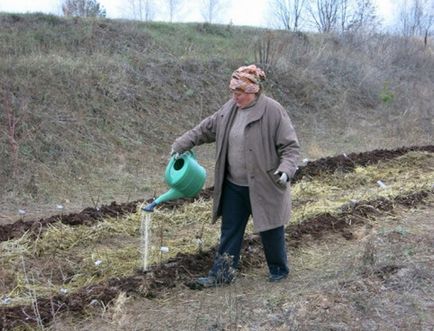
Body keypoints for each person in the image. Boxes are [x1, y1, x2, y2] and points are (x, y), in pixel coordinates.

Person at [171, 64, 300, 287]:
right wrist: (182, 144)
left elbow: (290, 147)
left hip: (265, 183)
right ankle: (221, 275)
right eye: (233, 92)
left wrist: (286, 169)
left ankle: (279, 270)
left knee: (271, 228)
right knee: (230, 230)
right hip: (234, 185)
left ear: (254, 91)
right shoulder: (228, 110)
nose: (235, 97)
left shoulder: (273, 111)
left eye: (240, 93)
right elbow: (205, 129)